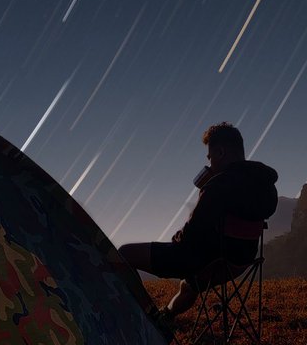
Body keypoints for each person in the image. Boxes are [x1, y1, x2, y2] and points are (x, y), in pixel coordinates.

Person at [118, 122, 278, 330]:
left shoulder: (217, 186)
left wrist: (204, 194)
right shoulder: (265, 187)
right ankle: (166, 316)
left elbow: (189, 237)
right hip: (238, 263)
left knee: (124, 253)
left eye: (210, 157)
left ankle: (140, 318)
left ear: (220, 152)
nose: (209, 163)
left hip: (206, 261)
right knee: (190, 285)